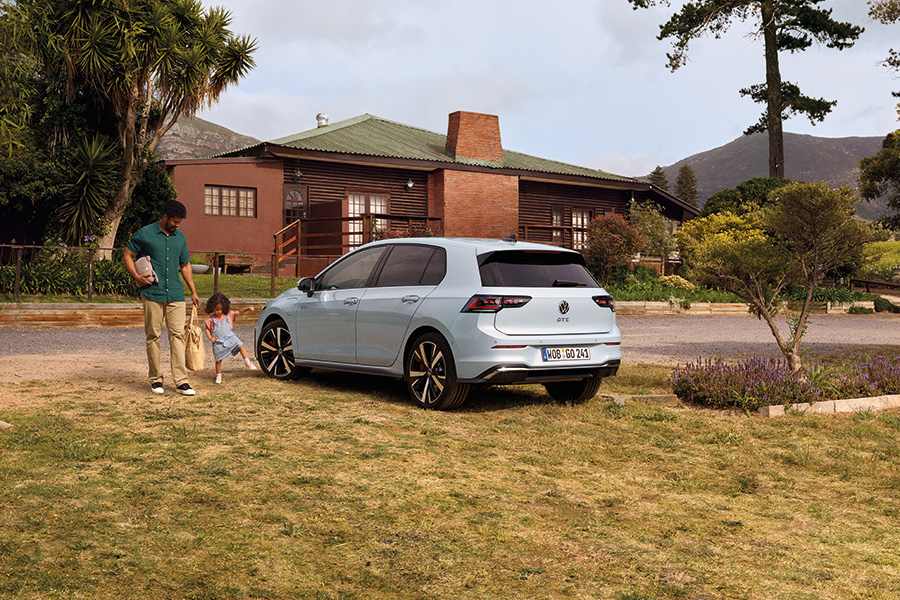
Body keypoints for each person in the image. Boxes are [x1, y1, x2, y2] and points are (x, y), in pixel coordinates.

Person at [124, 199, 201, 396]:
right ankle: (156, 379)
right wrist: (136, 276)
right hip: (152, 293)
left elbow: (185, 265)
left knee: (177, 335)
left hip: (175, 293)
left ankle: (181, 382)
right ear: (165, 216)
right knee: (153, 336)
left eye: (179, 222)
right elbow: (128, 255)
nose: (177, 225)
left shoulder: (180, 238)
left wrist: (193, 291)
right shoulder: (145, 233)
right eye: (174, 221)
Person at [203, 292, 257, 384]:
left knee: (240, 345)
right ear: (212, 308)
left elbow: (239, 312)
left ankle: (247, 362)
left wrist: (247, 309)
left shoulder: (228, 314)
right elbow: (207, 329)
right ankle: (218, 375)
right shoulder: (211, 319)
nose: (219, 312)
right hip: (219, 341)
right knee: (218, 360)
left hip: (230, 338)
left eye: (221, 309)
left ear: (224, 307)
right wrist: (210, 338)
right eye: (216, 310)